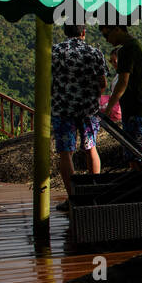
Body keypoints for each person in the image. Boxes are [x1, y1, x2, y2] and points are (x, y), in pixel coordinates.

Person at [51, 20, 107, 210]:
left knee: (65, 153)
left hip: (62, 108)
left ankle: (73, 197)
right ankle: (94, 193)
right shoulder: (94, 52)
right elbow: (103, 83)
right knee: (91, 148)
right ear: (83, 32)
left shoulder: (55, 51)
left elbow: (47, 79)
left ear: (65, 31)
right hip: (88, 109)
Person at [99, 21, 142, 165]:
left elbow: (122, 82)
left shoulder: (126, 50)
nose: (106, 39)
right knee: (141, 155)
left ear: (117, 29)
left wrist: (108, 109)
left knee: (137, 158)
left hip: (135, 110)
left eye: (107, 34)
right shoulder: (140, 47)